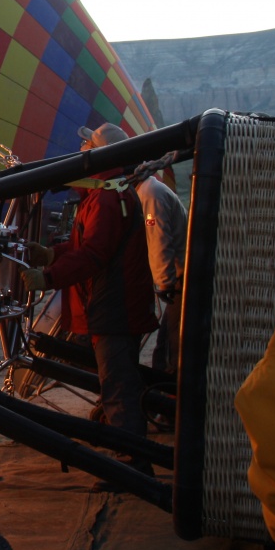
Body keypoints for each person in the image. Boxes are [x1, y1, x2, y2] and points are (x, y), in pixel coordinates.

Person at [21, 133, 159, 440]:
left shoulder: (109, 197)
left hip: (115, 309)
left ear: (99, 152)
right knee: (114, 382)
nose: (80, 149)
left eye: (86, 145)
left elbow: (95, 254)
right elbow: (89, 244)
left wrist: (50, 277)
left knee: (118, 387)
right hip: (113, 306)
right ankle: (123, 448)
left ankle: (131, 464)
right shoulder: (103, 193)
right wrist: (52, 254)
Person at [78, 123, 188, 373]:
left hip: (181, 284)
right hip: (177, 281)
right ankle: (163, 400)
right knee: (165, 348)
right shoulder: (138, 187)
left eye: (89, 147)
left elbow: (158, 237)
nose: (83, 149)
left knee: (174, 348)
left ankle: (171, 404)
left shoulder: (149, 193)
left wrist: (163, 283)